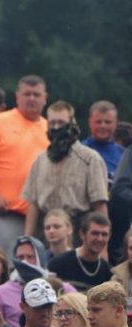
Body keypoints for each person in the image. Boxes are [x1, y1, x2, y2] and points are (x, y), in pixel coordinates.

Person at [0, 75, 49, 251]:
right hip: (7, 213)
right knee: (4, 268)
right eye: (27, 94)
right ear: (17, 96)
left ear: (45, 98)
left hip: (41, 217)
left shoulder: (49, 128)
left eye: (36, 94)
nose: (32, 99)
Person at [22, 101, 109, 238]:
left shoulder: (90, 158)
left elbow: (99, 204)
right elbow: (33, 204)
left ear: (71, 123)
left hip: (78, 231)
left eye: (61, 123)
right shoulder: (40, 160)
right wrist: (27, 240)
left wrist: (102, 242)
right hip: (46, 231)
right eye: (52, 123)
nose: (56, 127)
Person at [48, 212, 112, 291]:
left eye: (104, 234)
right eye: (95, 233)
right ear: (82, 234)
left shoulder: (108, 272)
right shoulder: (57, 264)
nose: (99, 239)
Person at [82, 101, 123, 181]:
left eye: (108, 122)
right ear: (90, 122)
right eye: (98, 122)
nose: (103, 126)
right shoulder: (79, 153)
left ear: (116, 123)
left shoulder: (124, 155)